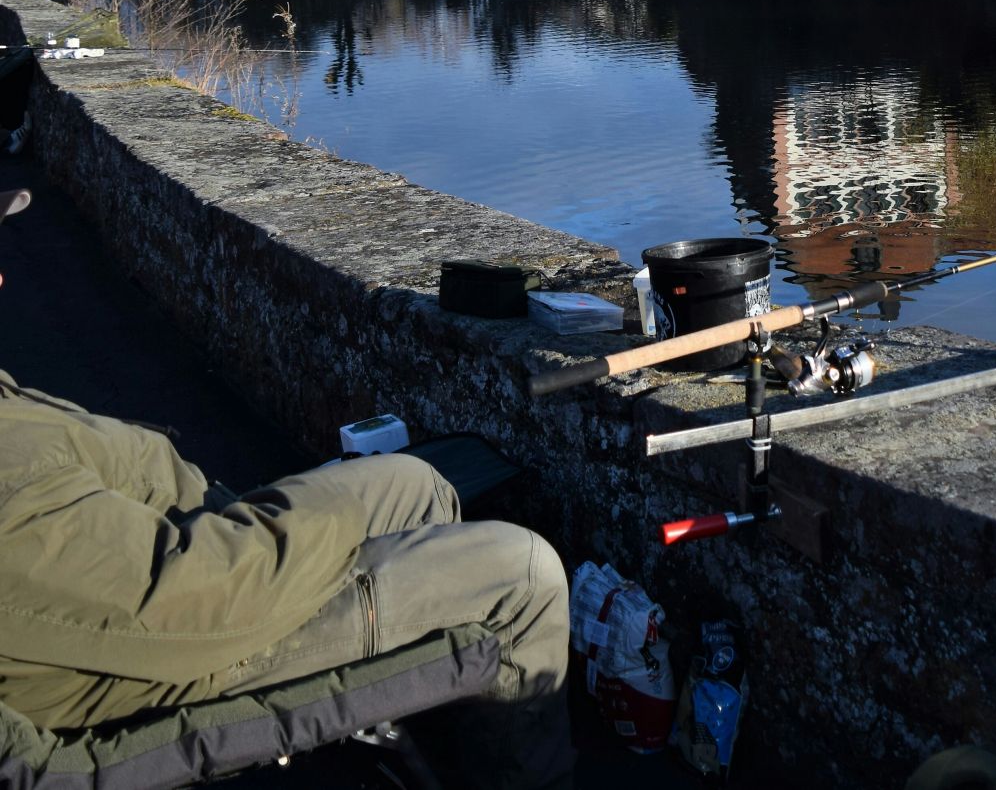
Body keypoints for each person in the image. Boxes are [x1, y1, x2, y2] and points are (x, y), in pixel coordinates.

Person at [0, 192, 573, 788]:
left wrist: (320, 506)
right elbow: (195, 603)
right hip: (180, 662)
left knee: (417, 484)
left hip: (184, 558)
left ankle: (440, 753)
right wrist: (334, 508)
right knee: (524, 574)